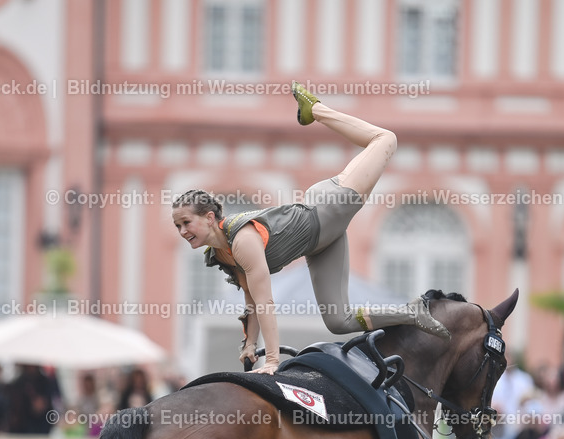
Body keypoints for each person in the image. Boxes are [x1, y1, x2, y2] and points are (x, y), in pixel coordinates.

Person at [171, 83, 450, 375]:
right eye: (178, 225)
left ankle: (315, 109)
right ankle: (412, 312)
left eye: (186, 223)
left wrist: (273, 361)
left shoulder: (241, 240)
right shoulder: (222, 253)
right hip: (321, 242)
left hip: (328, 206)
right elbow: (252, 300)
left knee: (385, 138)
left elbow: (266, 300)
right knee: (338, 321)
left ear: (210, 217)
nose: (182, 231)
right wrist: (250, 343)